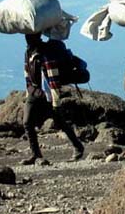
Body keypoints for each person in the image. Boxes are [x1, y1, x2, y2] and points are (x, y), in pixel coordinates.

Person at [21, 33, 84, 165]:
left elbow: (53, 78)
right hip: (34, 92)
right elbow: (27, 73)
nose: (27, 38)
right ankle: (36, 154)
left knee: (59, 121)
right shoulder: (28, 52)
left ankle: (78, 147)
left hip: (47, 94)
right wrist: (29, 92)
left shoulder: (45, 53)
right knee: (27, 122)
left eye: (29, 36)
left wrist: (55, 101)